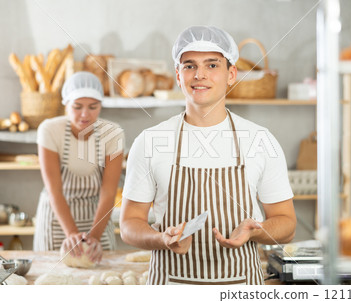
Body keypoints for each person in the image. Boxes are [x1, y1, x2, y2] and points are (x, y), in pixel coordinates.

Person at [120, 26, 296, 285]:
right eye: (189, 66)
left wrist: (254, 231)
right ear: (178, 76)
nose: (199, 75)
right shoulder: (150, 141)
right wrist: (161, 239)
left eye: (212, 65)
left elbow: (287, 224)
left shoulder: (260, 140)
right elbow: (129, 224)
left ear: (231, 74)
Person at [34, 71, 124, 262]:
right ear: (65, 105)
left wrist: (94, 238)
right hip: (57, 220)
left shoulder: (113, 133)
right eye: (77, 107)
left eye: (93, 106)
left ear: (101, 105)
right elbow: (54, 191)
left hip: (97, 218)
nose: (85, 114)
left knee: (101, 276)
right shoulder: (50, 130)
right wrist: (72, 234)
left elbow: (108, 192)